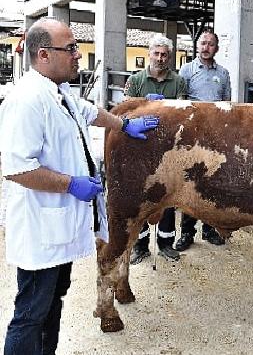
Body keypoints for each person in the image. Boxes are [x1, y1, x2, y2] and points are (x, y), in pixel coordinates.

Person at [0, 18, 158, 355]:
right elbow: (17, 169)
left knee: (52, 303)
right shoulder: (26, 101)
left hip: (59, 229)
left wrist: (125, 124)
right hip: (40, 230)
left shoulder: (60, 91)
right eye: (70, 48)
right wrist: (71, 184)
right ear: (43, 54)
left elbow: (90, 112)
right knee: (30, 313)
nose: (76, 55)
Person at [125, 33, 187, 264]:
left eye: (164, 54)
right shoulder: (136, 80)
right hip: (139, 145)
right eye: (156, 53)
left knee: (168, 193)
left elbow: (182, 112)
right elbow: (123, 111)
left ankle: (166, 243)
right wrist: (143, 103)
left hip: (167, 147)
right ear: (148, 54)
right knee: (141, 195)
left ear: (169, 57)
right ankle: (140, 246)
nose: (160, 58)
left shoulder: (178, 82)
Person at [174, 29, 230, 251]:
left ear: (216, 48)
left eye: (211, 44)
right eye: (203, 43)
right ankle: (187, 233)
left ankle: (209, 229)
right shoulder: (186, 71)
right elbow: (180, 102)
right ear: (197, 46)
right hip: (193, 136)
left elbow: (227, 105)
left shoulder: (223, 73)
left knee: (212, 183)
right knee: (190, 182)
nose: (206, 47)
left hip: (215, 137)